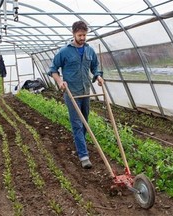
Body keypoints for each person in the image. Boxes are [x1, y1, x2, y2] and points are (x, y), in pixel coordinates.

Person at [48, 21, 104, 169]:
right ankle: (83, 155)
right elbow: (53, 70)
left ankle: (81, 144)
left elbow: (95, 67)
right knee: (77, 124)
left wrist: (98, 76)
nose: (83, 38)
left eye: (84, 35)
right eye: (80, 35)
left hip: (85, 92)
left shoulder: (89, 50)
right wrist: (60, 82)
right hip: (71, 93)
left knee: (85, 121)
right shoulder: (64, 51)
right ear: (73, 34)